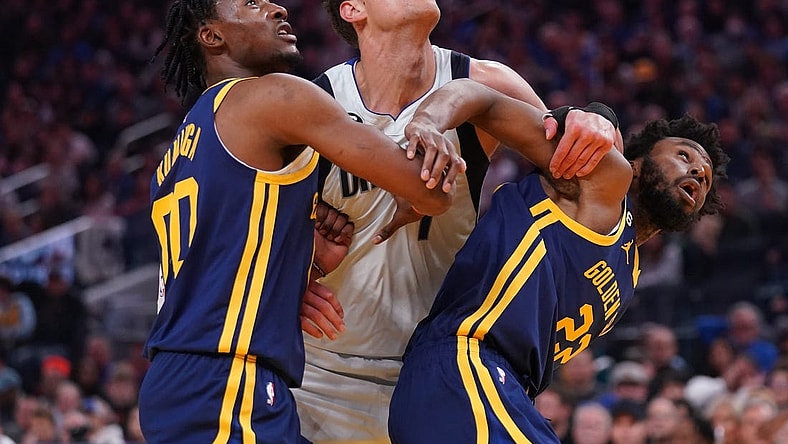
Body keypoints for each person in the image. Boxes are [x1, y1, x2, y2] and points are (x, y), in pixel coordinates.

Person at [136, 1, 465, 443]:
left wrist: (301, 262)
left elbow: (224, 261)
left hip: (185, 380)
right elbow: (428, 189)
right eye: (251, 3)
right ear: (211, 36)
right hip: (227, 380)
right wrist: (444, 116)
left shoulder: (180, 148)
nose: (276, 7)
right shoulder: (275, 96)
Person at [295, 0, 618, 440]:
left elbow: (576, 172)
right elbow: (253, 236)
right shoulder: (315, 101)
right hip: (323, 374)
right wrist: (294, 280)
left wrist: (597, 117)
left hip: (435, 372)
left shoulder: (482, 81)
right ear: (353, 9)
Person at [387, 78, 729, 442]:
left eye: (705, 176)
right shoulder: (602, 177)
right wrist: (426, 123)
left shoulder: (629, 275)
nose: (698, 171)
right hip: (466, 366)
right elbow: (483, 100)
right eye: (684, 155)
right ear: (639, 164)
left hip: (500, 391)